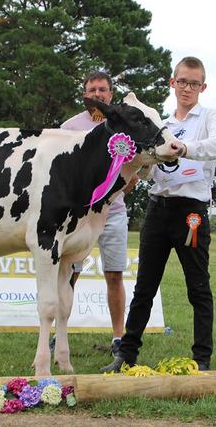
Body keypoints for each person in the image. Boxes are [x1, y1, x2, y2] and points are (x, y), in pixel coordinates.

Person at [102, 56, 216, 372]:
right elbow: (147, 171)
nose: (187, 88)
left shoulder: (211, 117)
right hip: (158, 208)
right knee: (144, 286)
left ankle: (201, 359)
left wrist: (183, 149)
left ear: (203, 86)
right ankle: (126, 355)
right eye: (182, 81)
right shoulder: (160, 123)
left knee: (198, 287)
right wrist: (139, 166)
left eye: (194, 83)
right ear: (173, 83)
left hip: (191, 214)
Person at [60, 71, 136, 356]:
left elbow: (134, 169)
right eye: (92, 89)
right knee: (70, 274)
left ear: (111, 93)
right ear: (85, 94)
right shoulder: (69, 127)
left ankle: (119, 337)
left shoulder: (125, 125)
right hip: (77, 216)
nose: (97, 94)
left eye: (102, 89)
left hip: (114, 213)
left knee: (114, 275)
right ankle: (60, 334)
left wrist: (115, 194)